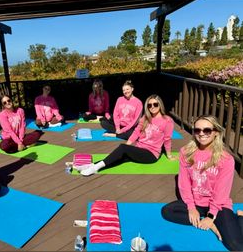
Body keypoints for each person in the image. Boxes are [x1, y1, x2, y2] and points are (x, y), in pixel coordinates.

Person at [161, 115, 243, 251]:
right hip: (196, 202)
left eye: (207, 130)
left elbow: (221, 192)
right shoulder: (186, 152)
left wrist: (211, 216)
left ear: (216, 132)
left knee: (237, 246)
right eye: (197, 130)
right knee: (167, 211)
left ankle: (239, 217)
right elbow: (184, 183)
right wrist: (191, 207)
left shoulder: (226, 159)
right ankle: (212, 224)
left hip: (218, 205)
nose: (201, 134)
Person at [76, 94, 175, 176]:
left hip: (151, 154)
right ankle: (92, 166)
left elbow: (167, 139)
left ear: (160, 105)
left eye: (155, 104)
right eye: (149, 105)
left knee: (122, 149)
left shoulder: (167, 121)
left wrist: (169, 155)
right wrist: (128, 144)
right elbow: (136, 132)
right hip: (139, 148)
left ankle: (94, 167)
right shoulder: (146, 117)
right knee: (119, 157)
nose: (152, 107)